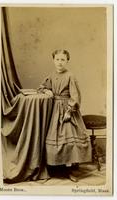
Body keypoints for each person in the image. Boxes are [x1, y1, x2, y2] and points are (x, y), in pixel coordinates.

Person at [38, 49, 91, 182]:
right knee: (54, 138)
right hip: (55, 110)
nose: (59, 62)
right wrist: (47, 91)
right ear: (53, 60)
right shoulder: (51, 75)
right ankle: (57, 168)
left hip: (68, 110)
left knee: (68, 140)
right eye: (57, 59)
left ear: (67, 61)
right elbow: (41, 87)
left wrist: (69, 111)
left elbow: (75, 96)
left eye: (63, 60)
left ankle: (69, 170)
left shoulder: (70, 76)